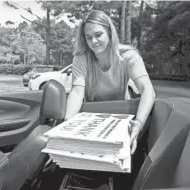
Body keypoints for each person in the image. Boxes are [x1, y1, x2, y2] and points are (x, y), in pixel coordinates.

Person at [64, 10, 155, 155]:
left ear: (109, 32)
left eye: (98, 35)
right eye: (88, 37)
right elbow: (76, 92)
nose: (93, 41)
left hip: (122, 116)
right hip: (91, 117)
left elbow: (147, 90)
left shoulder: (129, 56)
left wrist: (138, 123)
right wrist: (66, 124)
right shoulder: (81, 58)